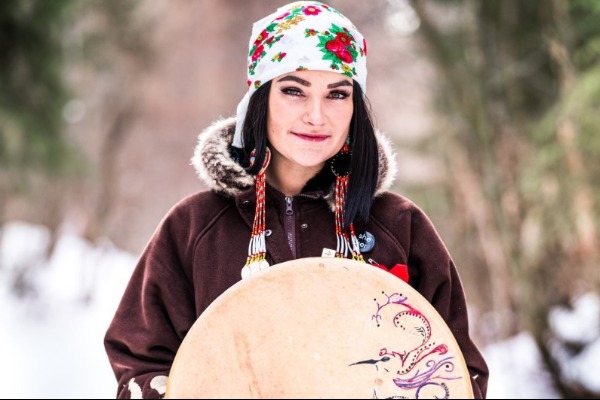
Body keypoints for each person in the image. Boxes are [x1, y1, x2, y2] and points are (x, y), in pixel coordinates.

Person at [104, 1, 489, 398]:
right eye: (293, 91)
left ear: (355, 107)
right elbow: (141, 365)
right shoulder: (194, 227)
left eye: (337, 94)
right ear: (260, 98)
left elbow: (458, 373)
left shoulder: (399, 226)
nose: (316, 116)